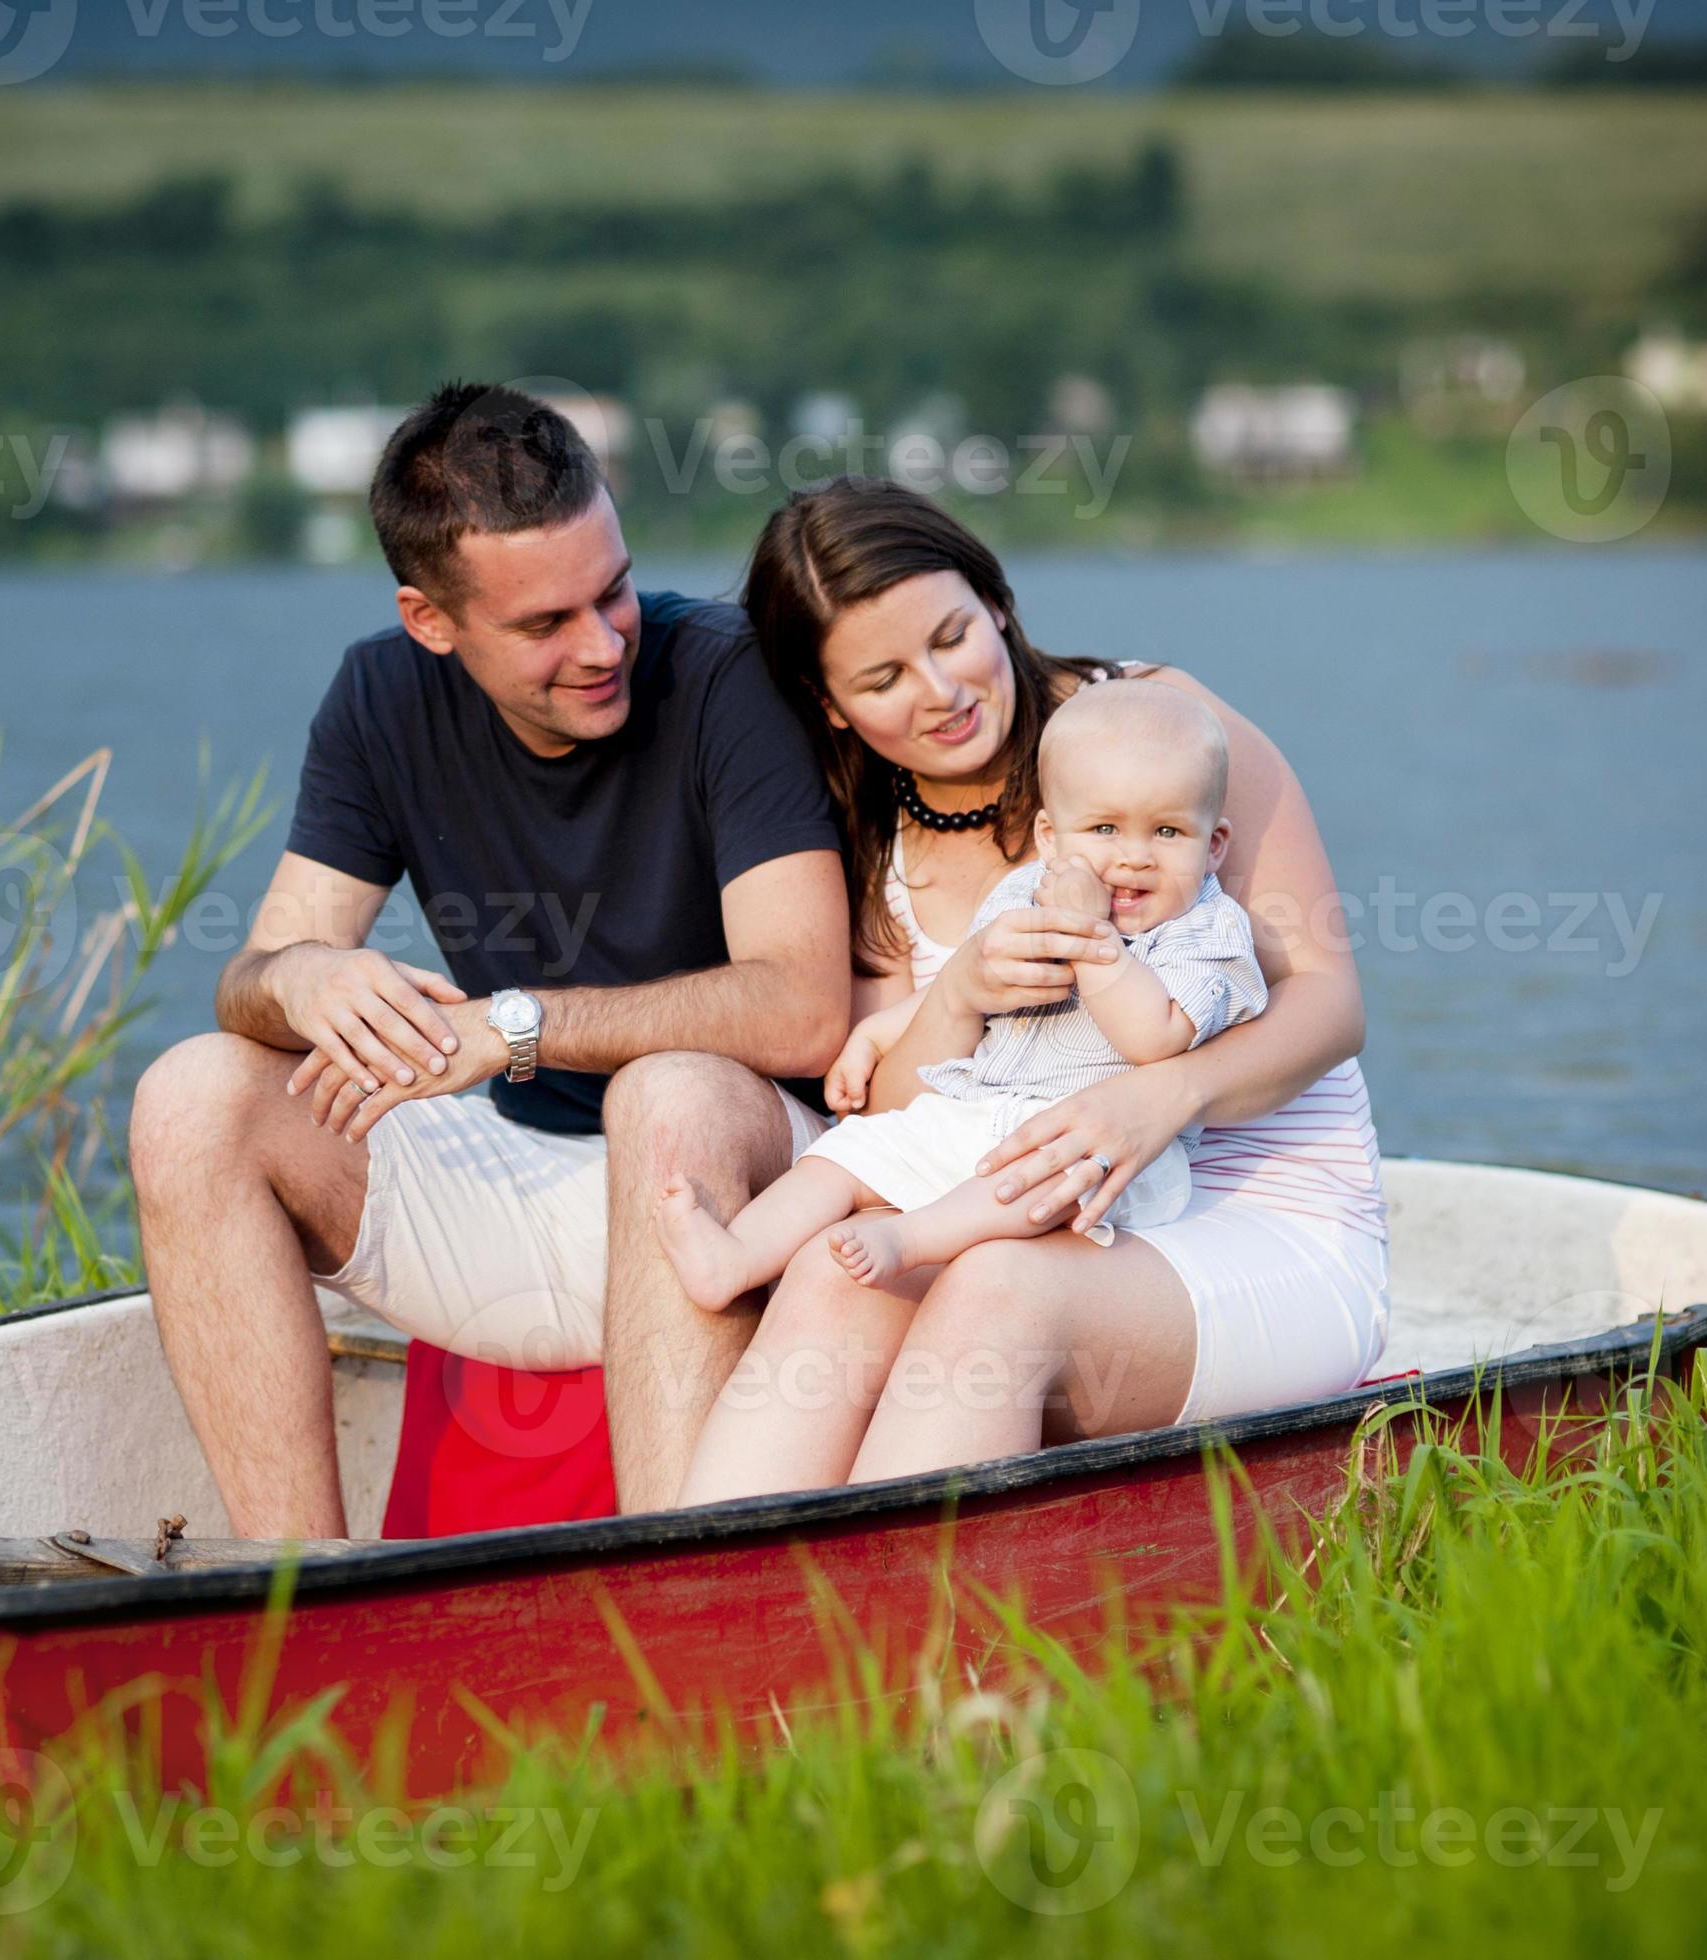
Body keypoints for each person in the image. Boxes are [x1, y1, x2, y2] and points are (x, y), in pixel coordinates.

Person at [126, 384, 852, 1540]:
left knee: (665, 1095)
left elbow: (805, 1007)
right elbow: (252, 972)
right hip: (524, 1195)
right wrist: (300, 979)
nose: (605, 641)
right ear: (431, 620)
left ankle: (687, 1603)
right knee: (192, 1097)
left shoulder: (724, 674)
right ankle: (301, 1601)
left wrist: (512, 1025)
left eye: (612, 589)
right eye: (545, 624)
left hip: (745, 1198)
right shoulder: (380, 693)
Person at [678, 478, 1389, 1505]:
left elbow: (1332, 1004)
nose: (940, 690)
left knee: (996, 1289)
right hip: (1031, 1211)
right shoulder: (875, 840)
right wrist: (958, 989)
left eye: (953, 634)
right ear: (830, 705)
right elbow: (896, 1114)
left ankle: (915, 1651)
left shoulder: (1161, 733)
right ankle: (705, 1629)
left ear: (998, 601)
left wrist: (1163, 1094)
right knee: (838, 1271)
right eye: (882, 677)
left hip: (1263, 1220)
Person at [655, 678, 1263, 1309]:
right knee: (846, 1153)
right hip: (978, 1111)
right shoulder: (1024, 893)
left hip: (1100, 1148)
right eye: (1105, 828)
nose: (1134, 857)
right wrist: (875, 1033)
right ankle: (737, 1257)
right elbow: (974, 984)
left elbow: (1156, 1036)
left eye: (1167, 833)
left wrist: (1091, 937)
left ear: (1212, 845)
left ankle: (910, 1238)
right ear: (1052, 839)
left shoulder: (1207, 931)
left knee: (1037, 1181)